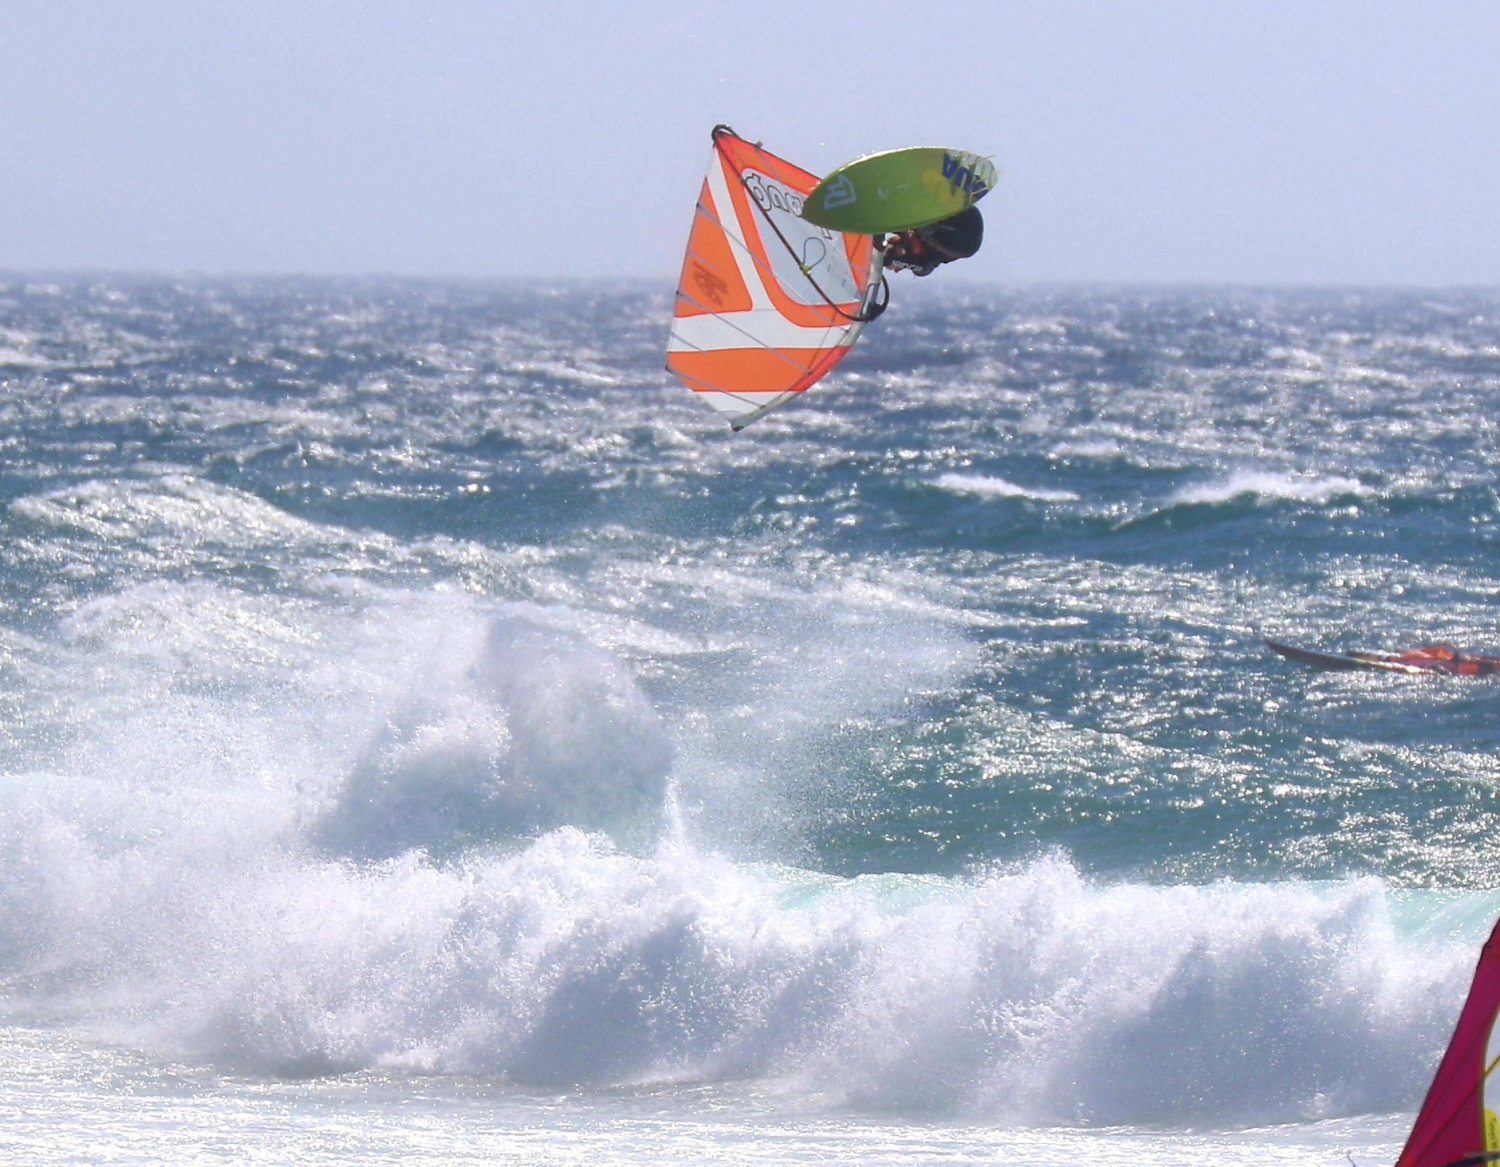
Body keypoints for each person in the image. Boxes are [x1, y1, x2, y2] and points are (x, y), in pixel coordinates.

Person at [881, 205, 984, 276]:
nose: (896, 271)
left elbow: (921, 268)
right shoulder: (924, 257)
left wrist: (889, 260)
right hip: (962, 231)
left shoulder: (925, 260)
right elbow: (922, 267)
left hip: (962, 229)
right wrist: (890, 260)